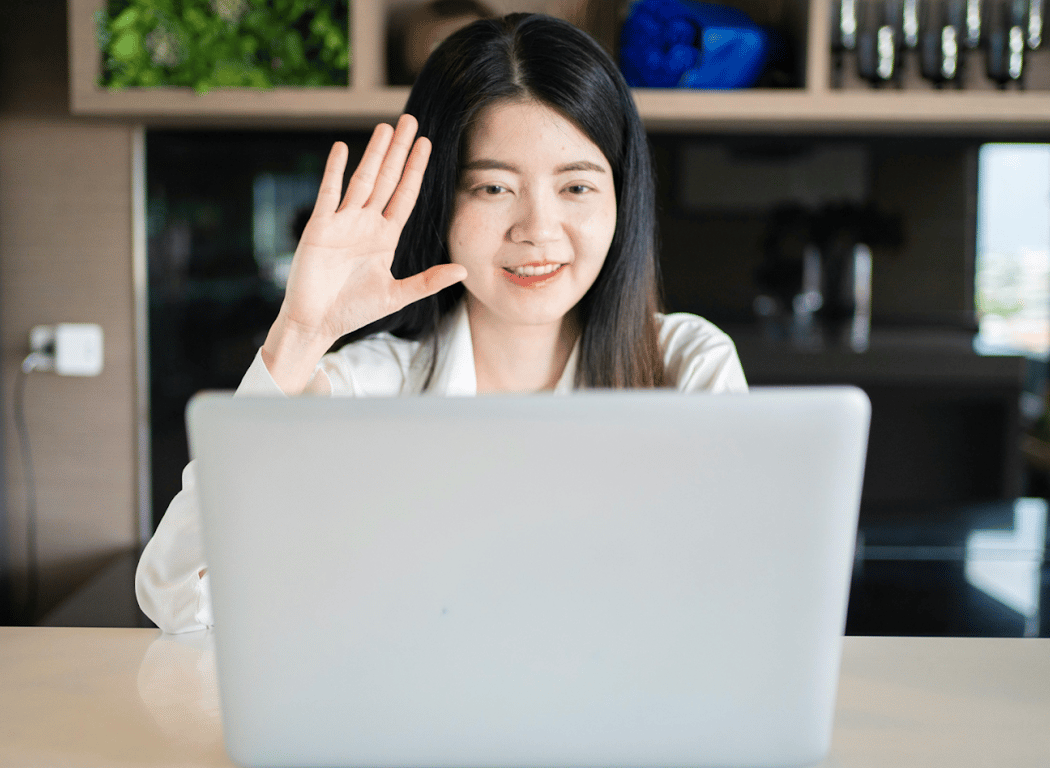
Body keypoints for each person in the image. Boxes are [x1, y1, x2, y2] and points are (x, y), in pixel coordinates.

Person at [136, 13, 748, 633]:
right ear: (440, 202)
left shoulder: (686, 365)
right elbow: (181, 601)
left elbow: (736, 603)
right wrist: (299, 333)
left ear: (622, 198)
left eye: (577, 188)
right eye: (492, 189)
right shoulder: (365, 391)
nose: (537, 229)